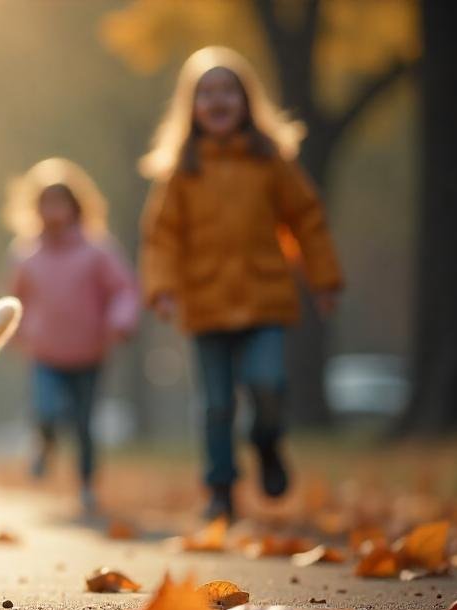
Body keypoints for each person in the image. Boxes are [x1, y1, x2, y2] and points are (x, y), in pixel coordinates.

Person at [139, 47, 343, 520]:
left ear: (247, 101)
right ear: (191, 107)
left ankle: (267, 443)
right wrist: (162, 287)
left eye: (227, 90)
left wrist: (324, 278)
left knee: (268, 383)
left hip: (264, 296)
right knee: (215, 405)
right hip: (205, 301)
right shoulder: (181, 171)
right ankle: (220, 490)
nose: (217, 100)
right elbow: (161, 236)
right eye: (206, 93)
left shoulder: (270, 161)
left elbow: (306, 218)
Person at [6, 158, 138, 515]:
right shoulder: (25, 255)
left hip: (89, 353)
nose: (53, 211)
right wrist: (15, 333)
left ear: (76, 207)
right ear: (35, 208)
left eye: (60, 203)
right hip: (45, 354)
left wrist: (121, 321)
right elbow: (13, 300)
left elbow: (124, 290)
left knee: (84, 425)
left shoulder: (98, 250)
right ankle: (44, 445)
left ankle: (86, 487)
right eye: (46, 203)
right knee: (47, 412)